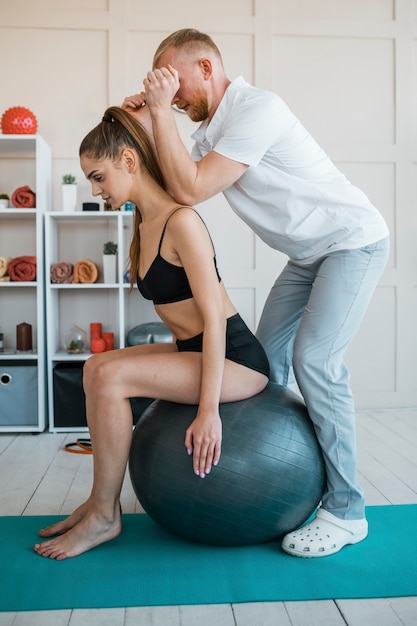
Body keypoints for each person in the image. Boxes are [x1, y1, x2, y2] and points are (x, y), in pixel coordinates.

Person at [122, 28, 390, 558]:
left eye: (176, 81)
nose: (173, 97)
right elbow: (163, 168)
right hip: (308, 255)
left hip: (351, 243)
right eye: (165, 87)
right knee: (264, 368)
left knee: (316, 360)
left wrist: (159, 113)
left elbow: (189, 187)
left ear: (205, 67)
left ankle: (346, 509)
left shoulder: (257, 109)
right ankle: (281, 481)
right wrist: (147, 115)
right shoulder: (207, 135)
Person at [33, 105, 269, 560]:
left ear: (128, 161)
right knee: (95, 367)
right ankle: (100, 501)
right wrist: (136, 114)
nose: (95, 189)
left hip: (236, 361)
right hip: (193, 353)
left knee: (111, 376)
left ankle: (104, 516)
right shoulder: (144, 223)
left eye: (98, 176)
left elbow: (215, 321)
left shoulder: (183, 222)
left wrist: (208, 412)